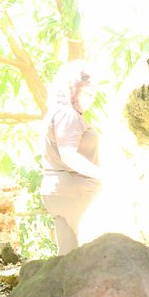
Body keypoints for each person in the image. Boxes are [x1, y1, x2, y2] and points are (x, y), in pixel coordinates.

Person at [40, 61, 103, 254]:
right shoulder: (67, 115)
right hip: (75, 192)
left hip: (60, 192)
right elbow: (69, 155)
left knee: (67, 256)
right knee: (92, 256)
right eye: (88, 93)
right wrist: (105, 177)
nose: (92, 99)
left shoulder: (58, 113)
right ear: (73, 89)